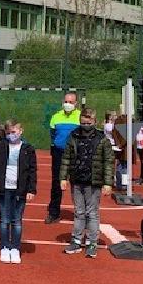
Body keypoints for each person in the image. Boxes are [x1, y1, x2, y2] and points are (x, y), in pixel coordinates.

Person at [60, 108, 114, 258]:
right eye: (83, 123)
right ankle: (76, 240)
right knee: (79, 212)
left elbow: (108, 161)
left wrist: (108, 183)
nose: (86, 125)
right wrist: (63, 177)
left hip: (93, 181)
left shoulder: (102, 139)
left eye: (88, 123)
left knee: (92, 213)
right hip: (77, 179)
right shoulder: (74, 136)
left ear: (94, 122)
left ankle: (92, 243)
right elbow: (66, 157)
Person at [0, 119, 36, 264]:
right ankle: (4, 247)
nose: (11, 135)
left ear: (21, 131)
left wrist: (31, 189)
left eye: (13, 132)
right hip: (3, 189)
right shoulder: (0, 146)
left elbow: (32, 171)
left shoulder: (28, 149)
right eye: (8, 133)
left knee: (17, 221)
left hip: (20, 190)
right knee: (4, 220)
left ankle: (15, 248)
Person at [46, 91, 81, 223]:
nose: (68, 104)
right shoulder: (56, 117)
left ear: (76, 104)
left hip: (75, 154)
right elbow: (53, 134)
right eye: (66, 102)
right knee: (57, 183)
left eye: (71, 102)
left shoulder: (80, 116)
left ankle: (79, 212)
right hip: (59, 152)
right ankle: (54, 212)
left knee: (76, 182)